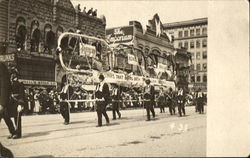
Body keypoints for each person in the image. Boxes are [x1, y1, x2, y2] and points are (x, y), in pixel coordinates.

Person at [4, 67, 25, 139]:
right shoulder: (8, 83)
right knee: (6, 116)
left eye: (14, 74)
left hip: (17, 101)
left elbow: (22, 94)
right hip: (9, 102)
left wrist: (21, 104)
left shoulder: (20, 83)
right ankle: (12, 132)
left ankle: (18, 134)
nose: (12, 76)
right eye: (11, 74)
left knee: (17, 118)